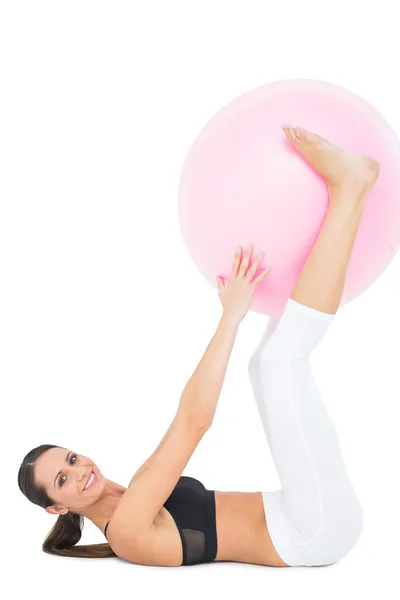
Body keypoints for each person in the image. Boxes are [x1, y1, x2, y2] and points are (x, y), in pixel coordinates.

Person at [18, 126, 380, 567]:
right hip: (312, 532)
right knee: (278, 362)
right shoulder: (127, 531)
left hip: (302, 514)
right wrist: (232, 316)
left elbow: (185, 421)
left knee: (263, 365)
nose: (80, 471)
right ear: (57, 508)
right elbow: (194, 421)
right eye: (63, 479)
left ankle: (344, 203)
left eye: (71, 459)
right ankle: (350, 190)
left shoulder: (132, 492)